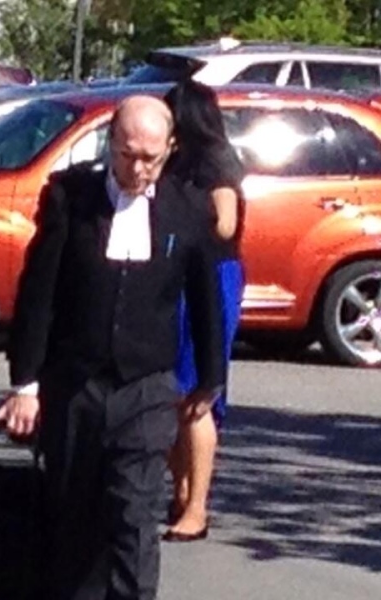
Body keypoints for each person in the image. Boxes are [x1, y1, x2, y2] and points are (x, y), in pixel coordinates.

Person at [0, 95, 225, 600]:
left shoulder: (188, 209)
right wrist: (25, 384)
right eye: (127, 154)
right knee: (74, 517)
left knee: (134, 514)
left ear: (170, 151)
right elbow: (39, 296)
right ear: (110, 144)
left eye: (150, 158)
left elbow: (206, 299)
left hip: (146, 388)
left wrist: (209, 377)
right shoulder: (69, 199)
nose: (137, 168)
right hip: (75, 386)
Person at [163, 79, 246, 542]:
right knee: (174, 392)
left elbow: (226, 221)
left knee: (198, 393)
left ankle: (197, 507)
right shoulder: (176, 160)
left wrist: (182, 218)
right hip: (178, 274)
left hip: (212, 277)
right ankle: (179, 492)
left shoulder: (216, 160)